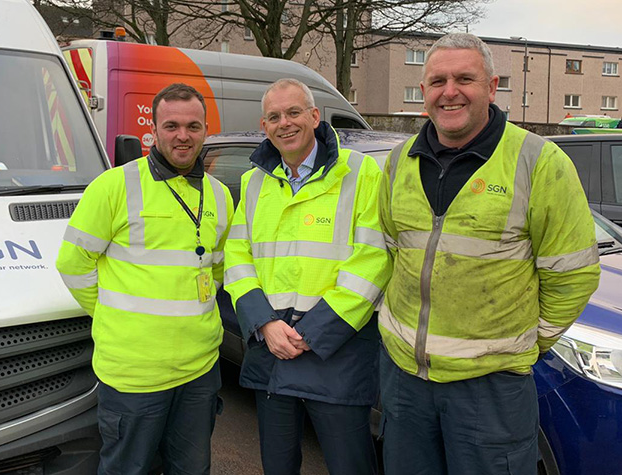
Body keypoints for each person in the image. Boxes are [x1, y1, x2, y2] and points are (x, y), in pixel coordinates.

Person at [377, 33, 601, 475]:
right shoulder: (399, 159)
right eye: (437, 80)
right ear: (423, 93)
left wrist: (525, 343)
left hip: (490, 387)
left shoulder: (540, 161)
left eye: (465, 78)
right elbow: (388, 250)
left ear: (492, 87)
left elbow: (573, 274)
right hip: (404, 380)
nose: (450, 91)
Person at [56, 83, 233, 475]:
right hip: (134, 374)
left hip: (199, 371)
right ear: (153, 130)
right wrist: (112, 314)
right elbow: (72, 263)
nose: (182, 136)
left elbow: (216, 269)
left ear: (206, 130)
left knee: (191, 469)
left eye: (193, 126)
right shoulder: (114, 185)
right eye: (171, 126)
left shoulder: (220, 195)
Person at [224, 78, 392, 475]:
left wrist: (310, 332)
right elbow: (236, 256)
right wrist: (265, 324)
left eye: (294, 112)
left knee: (350, 466)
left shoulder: (360, 171)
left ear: (315, 116)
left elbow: (374, 259)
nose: (285, 123)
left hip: (335, 352)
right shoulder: (253, 181)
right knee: (278, 466)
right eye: (274, 116)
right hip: (273, 350)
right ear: (264, 126)